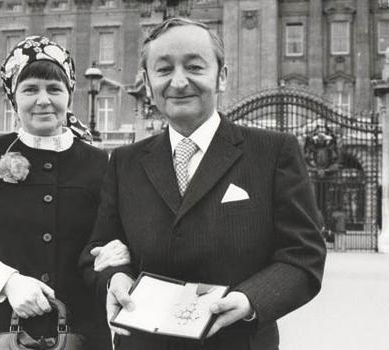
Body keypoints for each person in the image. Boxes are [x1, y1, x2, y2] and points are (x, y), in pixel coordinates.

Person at [79, 18, 326, 350]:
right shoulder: (125, 161)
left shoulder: (272, 152)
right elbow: (97, 249)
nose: (179, 82)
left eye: (194, 67)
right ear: (148, 84)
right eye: (163, 71)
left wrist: (249, 300)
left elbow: (303, 256)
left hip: (237, 341)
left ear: (221, 76)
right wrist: (115, 278)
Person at [0, 36, 130, 350]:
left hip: (80, 329)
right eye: (30, 89)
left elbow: (110, 238)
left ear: (69, 95)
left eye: (54, 89)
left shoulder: (100, 161)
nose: (43, 100)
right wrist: (8, 282)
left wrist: (116, 250)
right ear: (13, 98)